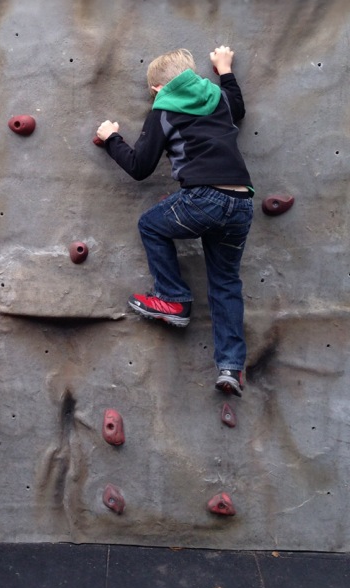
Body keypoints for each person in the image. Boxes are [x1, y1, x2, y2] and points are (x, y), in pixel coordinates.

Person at [95, 46, 253, 397]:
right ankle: (231, 367)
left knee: (151, 224)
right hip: (241, 201)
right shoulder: (219, 97)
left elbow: (139, 167)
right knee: (225, 283)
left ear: (155, 90)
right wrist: (225, 70)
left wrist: (112, 140)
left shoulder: (163, 111)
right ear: (194, 76)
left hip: (204, 198)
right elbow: (238, 108)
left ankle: (173, 298)